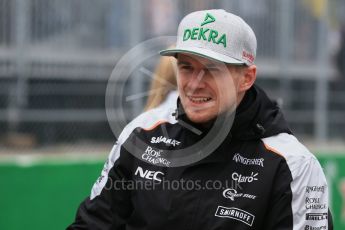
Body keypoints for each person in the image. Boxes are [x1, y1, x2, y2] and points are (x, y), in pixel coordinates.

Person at [68, 9, 333, 229]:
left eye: (211, 70)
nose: (194, 84)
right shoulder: (141, 134)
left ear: (247, 78)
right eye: (186, 67)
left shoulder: (293, 164)